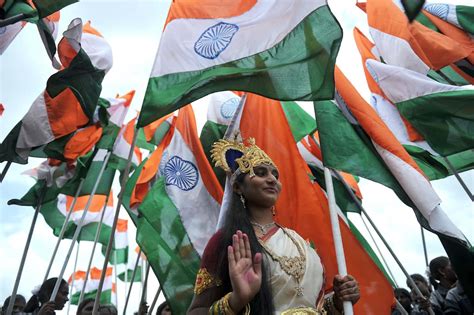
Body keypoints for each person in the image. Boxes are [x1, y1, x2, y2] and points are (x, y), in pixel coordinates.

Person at [188, 138, 360, 314]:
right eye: (261, 173)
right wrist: (236, 300)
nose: (272, 179)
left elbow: (314, 307)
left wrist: (338, 301)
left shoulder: (298, 241)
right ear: (238, 187)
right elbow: (195, 311)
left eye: (275, 175)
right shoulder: (226, 242)